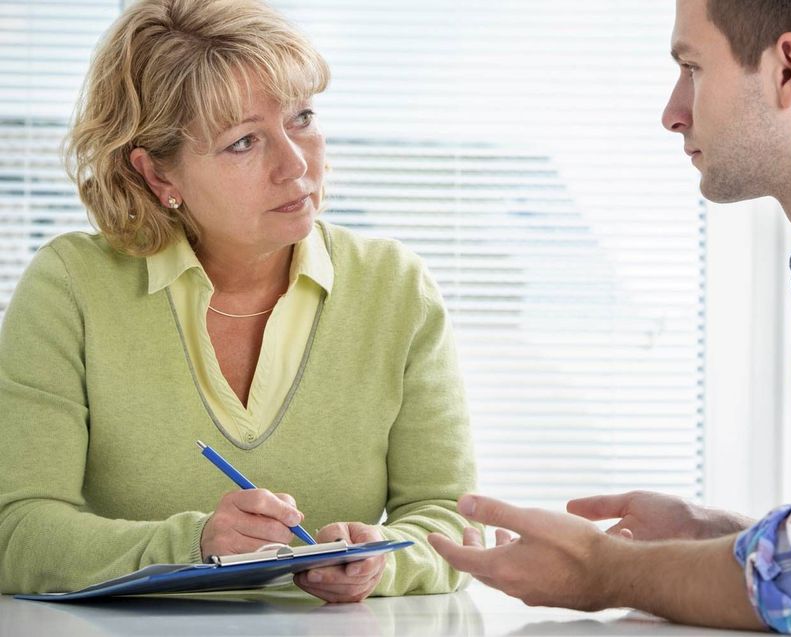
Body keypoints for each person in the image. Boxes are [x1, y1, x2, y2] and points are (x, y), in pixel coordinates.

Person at [428, 0, 791, 633]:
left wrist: (602, 569)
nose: (672, 112)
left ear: (788, 68)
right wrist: (709, 535)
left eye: (692, 67)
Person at [0, 0, 477, 603]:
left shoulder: (395, 286)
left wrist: (383, 565)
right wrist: (195, 545)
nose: (296, 163)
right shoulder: (71, 284)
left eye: (302, 117)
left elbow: (452, 520)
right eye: (245, 141)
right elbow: (14, 534)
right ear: (157, 176)